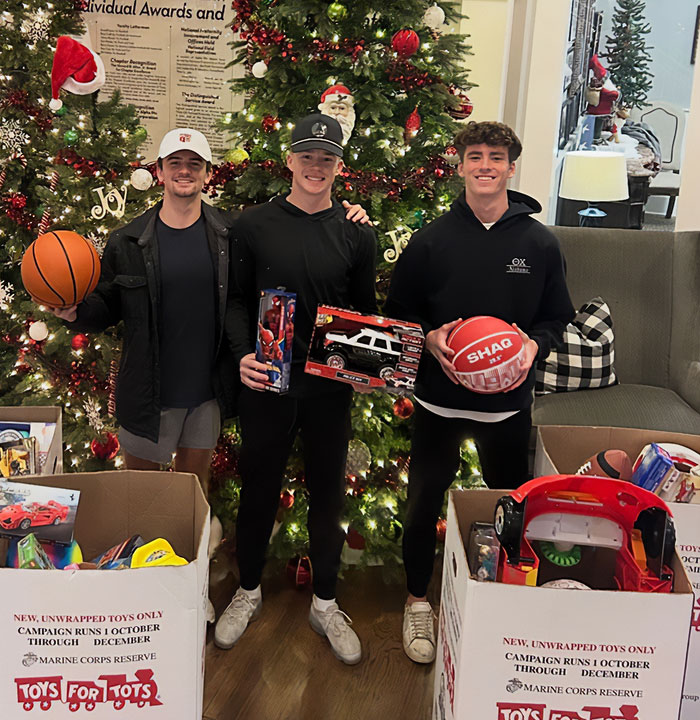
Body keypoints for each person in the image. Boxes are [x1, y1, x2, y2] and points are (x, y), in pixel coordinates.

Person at [46, 128, 369, 493]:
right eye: (175, 163)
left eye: (194, 164)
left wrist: (346, 215)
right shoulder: (127, 240)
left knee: (192, 493)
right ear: (159, 173)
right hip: (147, 395)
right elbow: (106, 305)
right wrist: (75, 312)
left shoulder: (232, 233)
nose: (185, 171)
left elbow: (258, 285)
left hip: (206, 395)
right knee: (140, 497)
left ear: (209, 174)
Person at [384, 121, 575, 664]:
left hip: (507, 404)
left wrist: (533, 347)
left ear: (512, 167)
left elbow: (556, 316)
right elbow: (400, 312)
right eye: (475, 155)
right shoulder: (431, 240)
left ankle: (501, 599)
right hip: (438, 400)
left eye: (496, 156)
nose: (485, 164)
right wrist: (429, 335)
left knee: (508, 503)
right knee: (423, 501)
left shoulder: (539, 242)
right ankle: (418, 600)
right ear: (460, 165)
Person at [215, 113, 377, 665]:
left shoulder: (357, 231)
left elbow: (364, 314)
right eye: (307, 156)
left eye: (326, 158)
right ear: (289, 160)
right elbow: (236, 300)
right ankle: (248, 590)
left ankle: (326, 602)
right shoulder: (252, 226)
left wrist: (371, 365)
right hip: (268, 383)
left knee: (328, 496)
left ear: (339, 165)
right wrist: (242, 354)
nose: (316, 167)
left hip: (329, 389)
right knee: (258, 488)